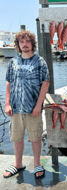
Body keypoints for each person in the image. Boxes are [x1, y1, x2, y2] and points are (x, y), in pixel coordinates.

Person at [4, 30, 50, 179]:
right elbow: (8, 83)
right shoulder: (13, 62)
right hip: (16, 108)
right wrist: (7, 103)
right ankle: (18, 164)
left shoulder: (40, 61)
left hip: (33, 110)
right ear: (18, 44)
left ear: (32, 44)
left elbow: (45, 84)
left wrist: (38, 105)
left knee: (35, 138)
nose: (24, 44)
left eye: (27, 42)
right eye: (21, 42)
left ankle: (37, 164)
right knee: (17, 137)